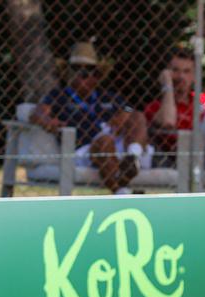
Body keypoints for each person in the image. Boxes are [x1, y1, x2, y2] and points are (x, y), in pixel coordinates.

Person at [31, 41, 153, 194]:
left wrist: (125, 113)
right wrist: (47, 121)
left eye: (90, 70)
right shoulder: (59, 96)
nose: (85, 75)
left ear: (98, 75)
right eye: (77, 69)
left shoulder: (107, 95)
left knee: (138, 116)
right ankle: (124, 194)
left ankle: (132, 158)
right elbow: (37, 113)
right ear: (68, 72)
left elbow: (129, 107)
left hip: (115, 140)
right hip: (83, 147)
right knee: (104, 142)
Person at [145, 45, 205, 173]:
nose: (181, 76)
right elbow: (168, 122)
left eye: (186, 71)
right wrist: (167, 85)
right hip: (189, 160)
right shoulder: (156, 107)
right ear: (166, 73)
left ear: (194, 76)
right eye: (175, 70)